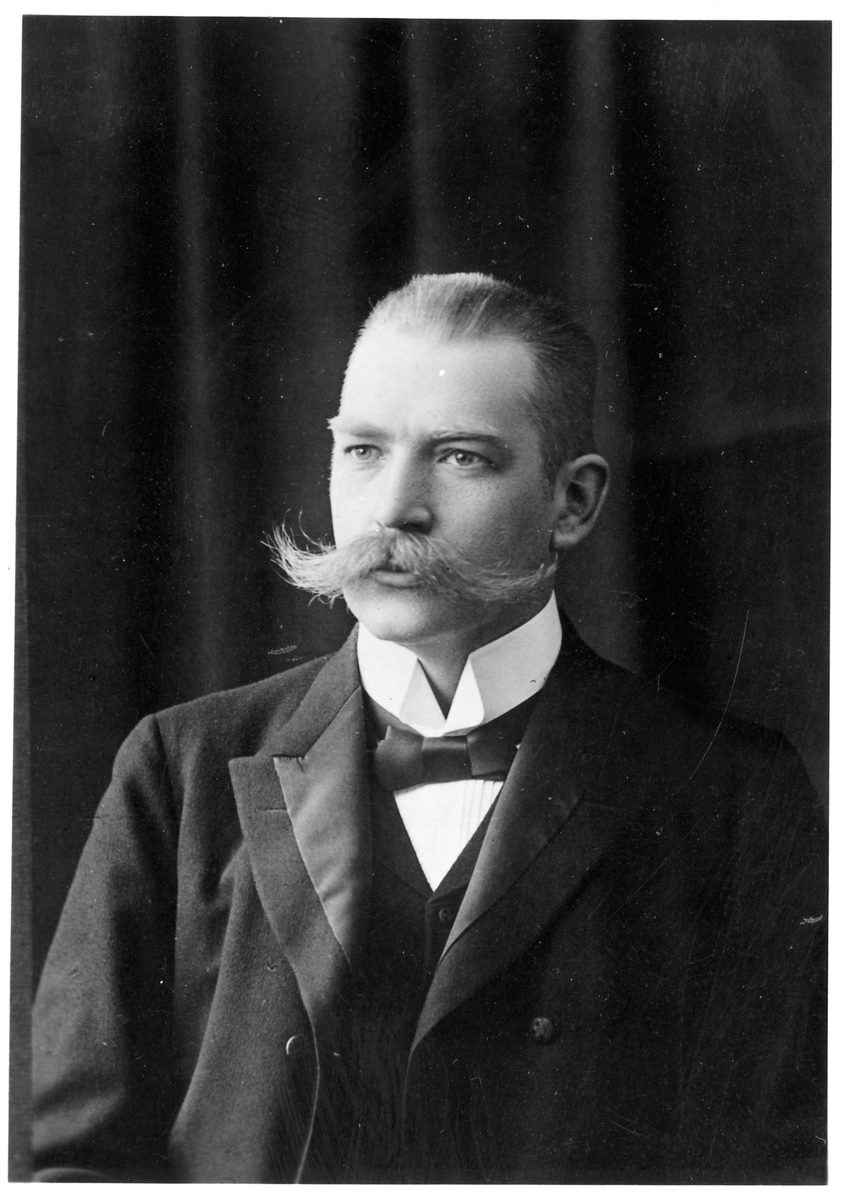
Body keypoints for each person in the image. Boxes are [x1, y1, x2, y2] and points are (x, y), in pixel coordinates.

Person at [32, 273, 826, 1183]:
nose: (391, 508)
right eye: (363, 450)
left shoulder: (730, 793)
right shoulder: (180, 769)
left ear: (571, 502)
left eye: (459, 458)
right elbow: (75, 1167)